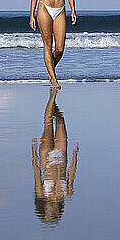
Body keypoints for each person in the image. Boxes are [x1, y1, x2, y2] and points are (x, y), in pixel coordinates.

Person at [32, 88, 79, 225]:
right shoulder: (67, 195)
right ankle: (53, 102)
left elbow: (36, 173)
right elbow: (72, 174)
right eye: (51, 214)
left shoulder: (41, 193)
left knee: (48, 124)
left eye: (47, 213)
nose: (50, 211)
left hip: (46, 158)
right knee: (60, 121)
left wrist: (33, 152)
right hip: (62, 156)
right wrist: (75, 155)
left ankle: (52, 96)